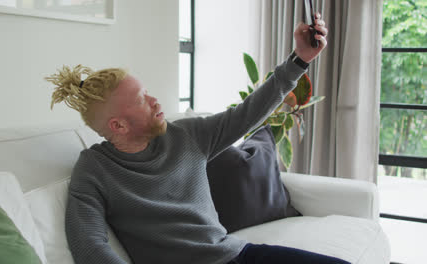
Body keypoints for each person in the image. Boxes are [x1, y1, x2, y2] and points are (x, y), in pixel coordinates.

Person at [46, 13, 348, 264]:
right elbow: (89, 244)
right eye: (140, 99)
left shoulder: (187, 135)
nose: (154, 100)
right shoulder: (94, 169)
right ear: (119, 126)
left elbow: (247, 113)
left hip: (237, 256)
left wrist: (300, 59)